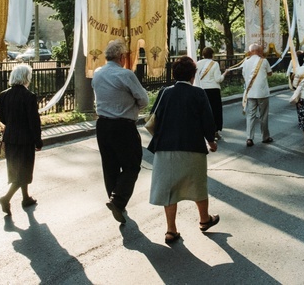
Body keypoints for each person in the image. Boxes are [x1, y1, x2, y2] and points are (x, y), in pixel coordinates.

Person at [147, 56, 220, 244]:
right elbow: (207, 121)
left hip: (165, 147)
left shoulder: (165, 93)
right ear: (193, 75)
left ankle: (171, 230)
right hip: (192, 146)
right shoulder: (198, 93)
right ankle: (205, 219)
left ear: (174, 74)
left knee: (169, 190)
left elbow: (153, 117)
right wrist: (211, 141)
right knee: (198, 185)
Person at [92, 39, 149, 224]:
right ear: (122, 56)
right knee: (132, 165)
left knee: (110, 166)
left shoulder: (97, 73)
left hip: (102, 125)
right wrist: (132, 107)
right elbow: (144, 99)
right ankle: (118, 200)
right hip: (123, 126)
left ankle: (116, 202)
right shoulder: (126, 75)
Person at [0, 64, 43, 215]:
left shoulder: (4, 94)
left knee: (17, 170)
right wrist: (38, 141)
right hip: (25, 140)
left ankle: (26, 198)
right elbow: (33, 121)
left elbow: (2, 118)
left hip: (10, 138)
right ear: (26, 77)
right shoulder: (29, 96)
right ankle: (6, 198)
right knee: (23, 172)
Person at [242, 43, 273, 147]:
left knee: (250, 115)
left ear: (250, 51)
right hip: (262, 92)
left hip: (250, 92)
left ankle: (249, 138)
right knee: (263, 115)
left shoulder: (246, 62)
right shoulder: (264, 61)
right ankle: (265, 137)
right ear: (259, 51)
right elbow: (270, 73)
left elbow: (243, 75)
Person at [195, 46, 228, 140]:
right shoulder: (214, 64)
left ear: (203, 55)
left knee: (203, 111)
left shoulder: (198, 63)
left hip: (201, 89)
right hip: (213, 90)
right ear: (212, 54)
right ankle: (215, 131)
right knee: (215, 111)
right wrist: (224, 74)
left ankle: (202, 131)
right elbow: (218, 79)